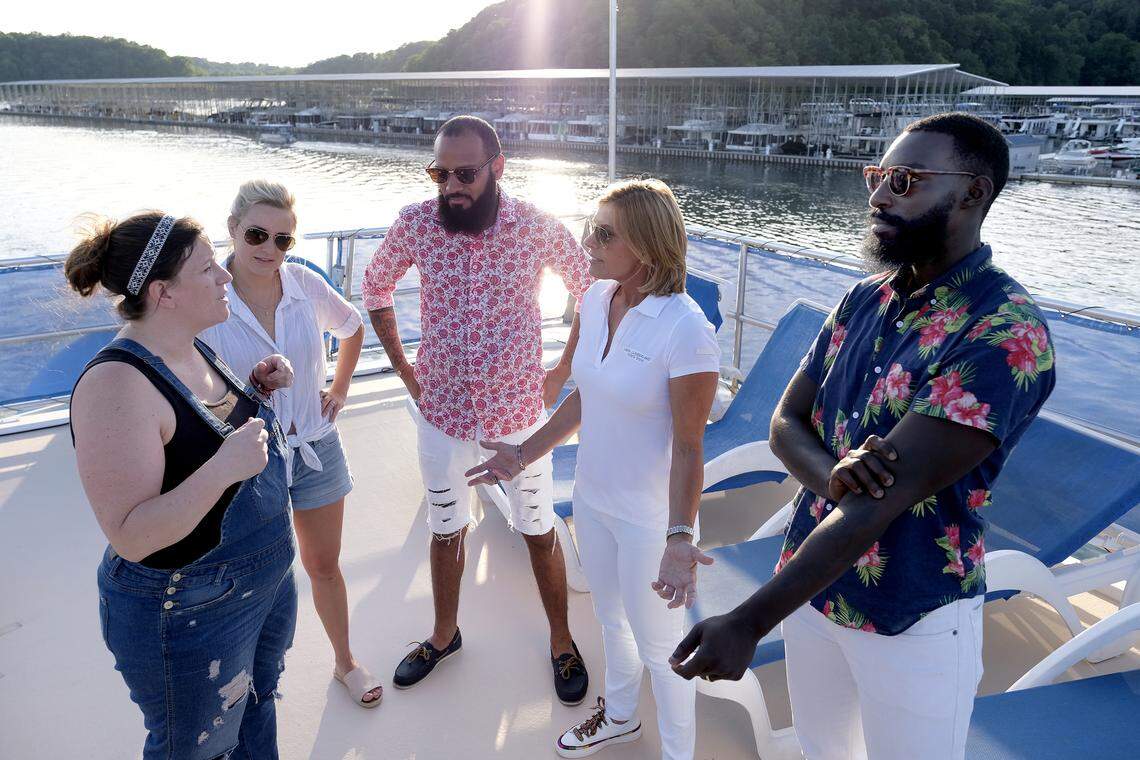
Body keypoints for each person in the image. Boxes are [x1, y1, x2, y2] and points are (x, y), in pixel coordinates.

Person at [671, 113, 1057, 760]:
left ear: (972, 194)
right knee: (824, 749)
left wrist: (747, 620)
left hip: (910, 612)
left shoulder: (1005, 333)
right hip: (814, 587)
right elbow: (783, 424)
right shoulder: (860, 299)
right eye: (877, 176)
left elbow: (881, 499)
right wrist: (831, 476)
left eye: (904, 180)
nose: (879, 196)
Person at [467, 179, 721, 760]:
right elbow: (587, 396)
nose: (589, 241)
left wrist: (679, 539)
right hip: (593, 499)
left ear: (648, 245)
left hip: (649, 518)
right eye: (591, 227)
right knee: (611, 621)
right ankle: (622, 718)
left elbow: (689, 446)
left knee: (662, 648)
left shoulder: (686, 330)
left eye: (605, 233)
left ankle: (680, 755)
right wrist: (523, 453)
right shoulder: (596, 297)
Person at [360, 115, 594, 703]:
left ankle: (562, 642)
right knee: (447, 530)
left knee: (539, 533)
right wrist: (403, 369)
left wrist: (563, 368)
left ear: (498, 167)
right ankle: (444, 635)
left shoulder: (535, 226)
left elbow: (591, 288)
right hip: (441, 416)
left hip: (520, 419)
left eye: (464, 173)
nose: (450, 187)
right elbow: (376, 286)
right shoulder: (416, 223)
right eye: (440, 173)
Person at [66, 210, 298, 759]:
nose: (225, 276)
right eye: (208, 268)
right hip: (189, 608)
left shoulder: (192, 345)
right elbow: (131, 535)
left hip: (260, 583)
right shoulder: (115, 385)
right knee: (199, 747)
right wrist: (224, 467)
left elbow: (195, 439)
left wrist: (254, 393)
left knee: (257, 706)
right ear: (163, 292)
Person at [199, 180, 381, 708]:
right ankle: (246, 676)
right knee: (255, 574)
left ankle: (345, 661)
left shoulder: (304, 286)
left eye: (283, 240)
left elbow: (351, 329)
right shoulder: (208, 300)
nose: (269, 249)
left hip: (316, 448)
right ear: (232, 229)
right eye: (256, 233)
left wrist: (339, 389)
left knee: (324, 564)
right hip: (247, 459)